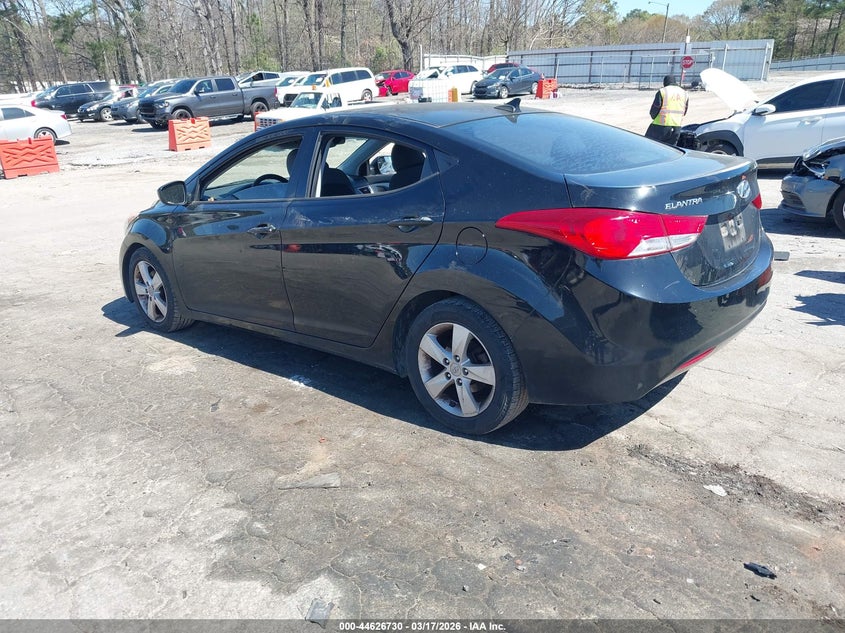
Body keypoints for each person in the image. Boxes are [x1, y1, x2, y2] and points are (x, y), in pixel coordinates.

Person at [645, 75, 689, 146]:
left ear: (665, 82)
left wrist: (653, 116)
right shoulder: (684, 93)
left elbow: (655, 109)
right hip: (676, 128)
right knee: (670, 149)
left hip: (660, 127)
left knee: (648, 145)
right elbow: (685, 111)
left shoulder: (663, 91)